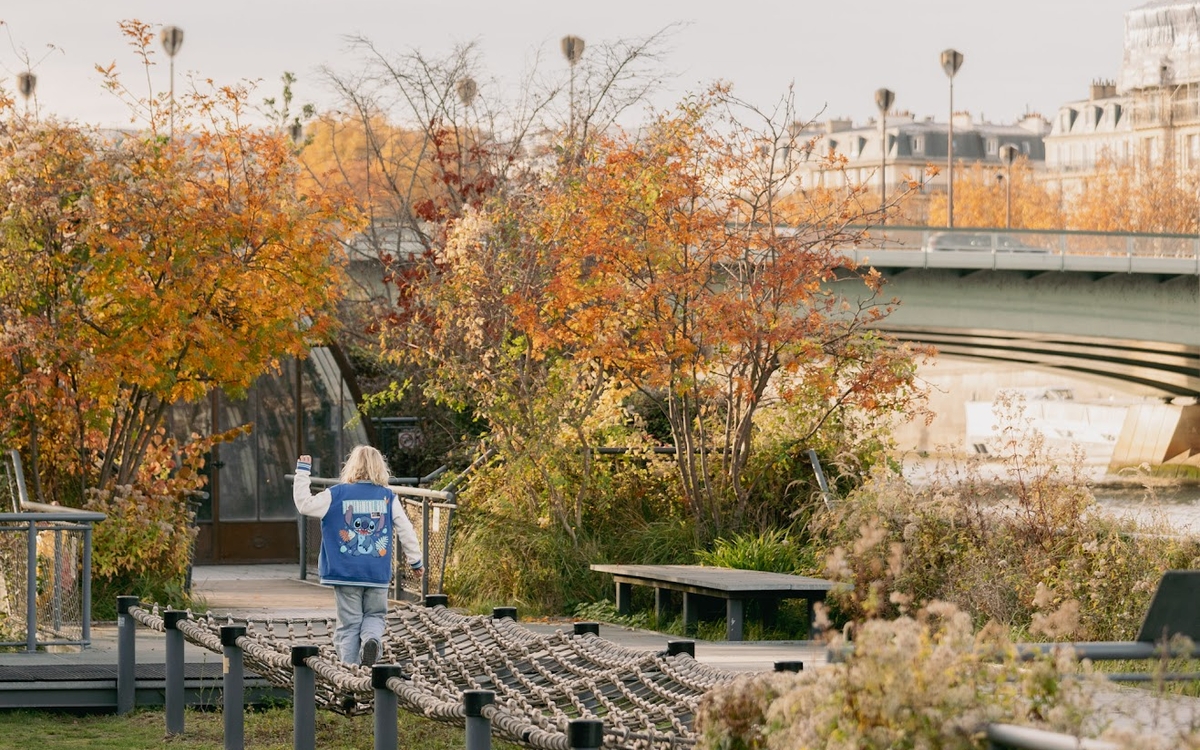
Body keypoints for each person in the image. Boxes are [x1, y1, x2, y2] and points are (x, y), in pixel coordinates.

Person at [293, 446, 424, 666]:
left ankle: (350, 678)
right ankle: (371, 640)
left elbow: (305, 505)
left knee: (349, 624)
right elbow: (405, 529)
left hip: (344, 573)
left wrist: (303, 472)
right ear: (380, 468)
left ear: (351, 466)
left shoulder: (336, 494)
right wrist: (415, 560)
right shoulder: (387, 497)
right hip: (376, 573)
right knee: (375, 616)